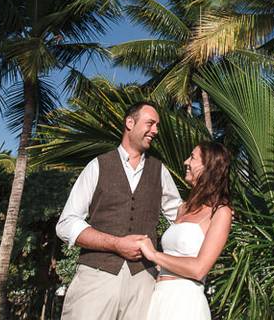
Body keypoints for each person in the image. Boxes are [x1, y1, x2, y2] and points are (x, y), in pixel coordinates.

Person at [55, 102, 183, 320]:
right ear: (130, 123)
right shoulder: (97, 165)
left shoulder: (160, 170)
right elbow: (66, 224)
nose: (155, 131)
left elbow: (180, 216)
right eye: (150, 124)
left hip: (143, 280)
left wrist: (212, 206)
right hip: (96, 277)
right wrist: (116, 244)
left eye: (157, 126)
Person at [138, 142, 233, 320]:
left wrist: (154, 254)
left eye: (192, 157)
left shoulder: (221, 213)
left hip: (185, 302)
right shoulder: (182, 209)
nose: (185, 162)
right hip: (158, 297)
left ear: (209, 167)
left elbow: (199, 268)